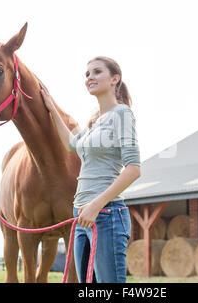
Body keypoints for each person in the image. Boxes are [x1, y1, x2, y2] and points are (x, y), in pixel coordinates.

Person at [40, 56, 141, 283]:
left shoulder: (122, 114)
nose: (90, 77)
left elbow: (134, 169)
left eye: (96, 72)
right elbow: (70, 144)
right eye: (87, 74)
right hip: (81, 216)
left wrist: (96, 205)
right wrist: (51, 108)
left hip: (107, 215)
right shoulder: (95, 121)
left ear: (115, 79)